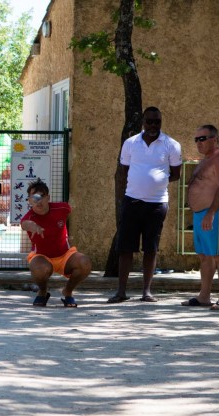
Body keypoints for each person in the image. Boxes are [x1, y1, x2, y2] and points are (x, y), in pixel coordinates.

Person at [108, 106, 182, 303]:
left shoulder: (171, 145)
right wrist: (139, 183)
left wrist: (157, 181)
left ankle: (146, 292)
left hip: (157, 204)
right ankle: (121, 292)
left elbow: (176, 174)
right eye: (149, 121)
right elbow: (124, 169)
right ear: (143, 122)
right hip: (132, 201)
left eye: (157, 122)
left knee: (151, 248)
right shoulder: (130, 143)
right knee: (125, 247)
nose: (153, 125)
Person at [181, 125, 219, 310]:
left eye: (202, 138)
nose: (198, 143)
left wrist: (211, 213)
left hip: (215, 213)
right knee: (204, 256)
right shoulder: (206, 160)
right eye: (196, 139)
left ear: (215, 138)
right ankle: (204, 297)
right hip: (200, 214)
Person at [20, 179, 92, 307]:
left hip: (65, 255)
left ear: (48, 198)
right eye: (34, 198)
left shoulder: (62, 208)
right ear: (30, 201)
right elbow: (25, 224)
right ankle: (42, 292)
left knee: (85, 263)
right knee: (38, 269)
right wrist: (35, 227)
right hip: (42, 257)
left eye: (41, 197)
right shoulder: (28, 218)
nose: (38, 201)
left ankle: (68, 292)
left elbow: (70, 211)